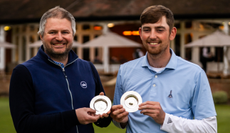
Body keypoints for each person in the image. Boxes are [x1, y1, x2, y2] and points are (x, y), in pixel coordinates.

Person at [111, 5, 217, 133]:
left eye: (159, 30)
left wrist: (165, 119)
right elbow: (119, 121)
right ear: (140, 33)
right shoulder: (125, 71)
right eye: (147, 30)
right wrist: (120, 120)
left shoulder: (194, 73)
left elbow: (209, 128)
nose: (152, 36)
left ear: (172, 33)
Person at [9, 6, 111, 133]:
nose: (59, 37)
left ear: (72, 35)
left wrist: (106, 114)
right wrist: (73, 117)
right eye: (52, 32)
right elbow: (23, 126)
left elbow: (103, 121)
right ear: (41, 36)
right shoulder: (24, 72)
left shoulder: (88, 67)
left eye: (65, 32)